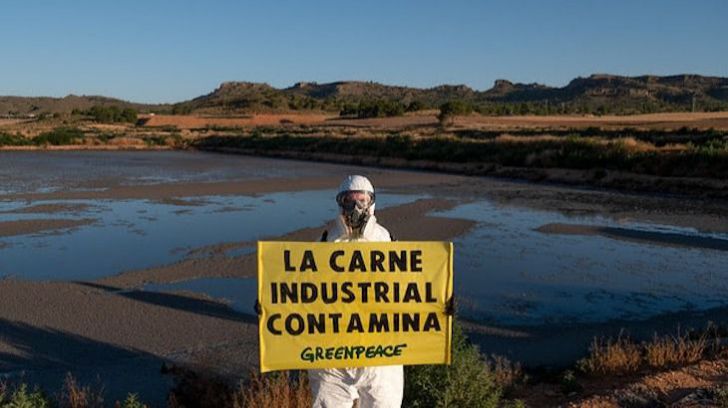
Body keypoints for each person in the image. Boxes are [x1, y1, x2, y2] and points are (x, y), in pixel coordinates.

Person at [308, 174, 403, 408]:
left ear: (372, 203)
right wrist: (271, 305)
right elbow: (303, 291)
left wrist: (440, 306)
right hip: (332, 353)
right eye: (349, 202)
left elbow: (410, 289)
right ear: (340, 204)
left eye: (362, 201)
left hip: (380, 352)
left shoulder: (388, 242)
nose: (355, 208)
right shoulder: (323, 243)